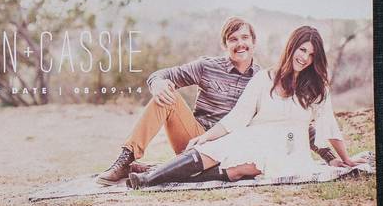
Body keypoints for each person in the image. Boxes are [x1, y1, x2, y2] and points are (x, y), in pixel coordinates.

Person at [96, 17, 336, 186]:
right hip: (195, 139)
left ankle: (159, 169)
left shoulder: (267, 80)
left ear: (254, 42)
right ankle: (125, 159)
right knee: (167, 96)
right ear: (225, 44)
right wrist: (158, 83)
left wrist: (330, 157)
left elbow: (295, 122)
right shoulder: (207, 67)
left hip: (232, 150)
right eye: (233, 39)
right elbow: (161, 75)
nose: (240, 43)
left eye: (245, 37)